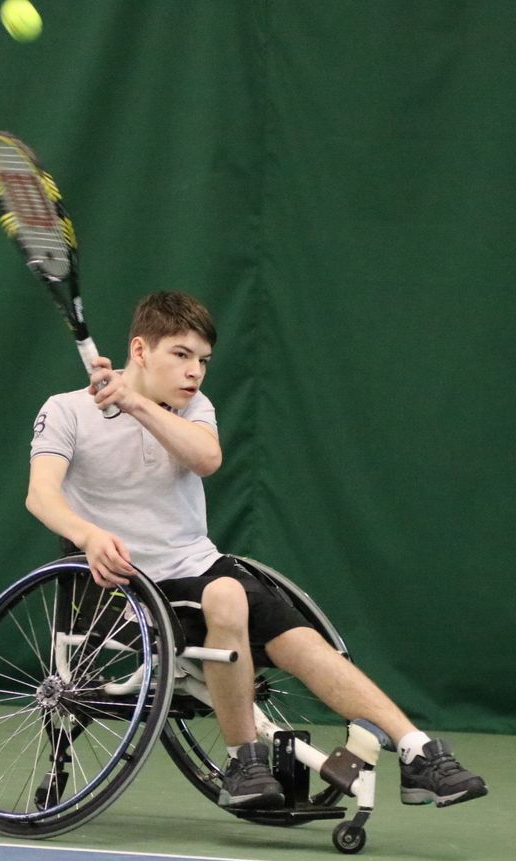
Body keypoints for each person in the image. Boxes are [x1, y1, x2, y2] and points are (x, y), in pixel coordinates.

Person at [26, 290, 487, 811]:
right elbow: (41, 496)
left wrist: (134, 403)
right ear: (140, 350)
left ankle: (416, 751)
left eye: (203, 360)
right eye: (181, 354)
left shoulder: (194, 407)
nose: (195, 371)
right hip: (120, 587)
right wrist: (88, 535)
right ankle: (244, 762)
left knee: (301, 638)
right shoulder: (66, 410)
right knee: (226, 594)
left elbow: (206, 458)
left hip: (197, 568)